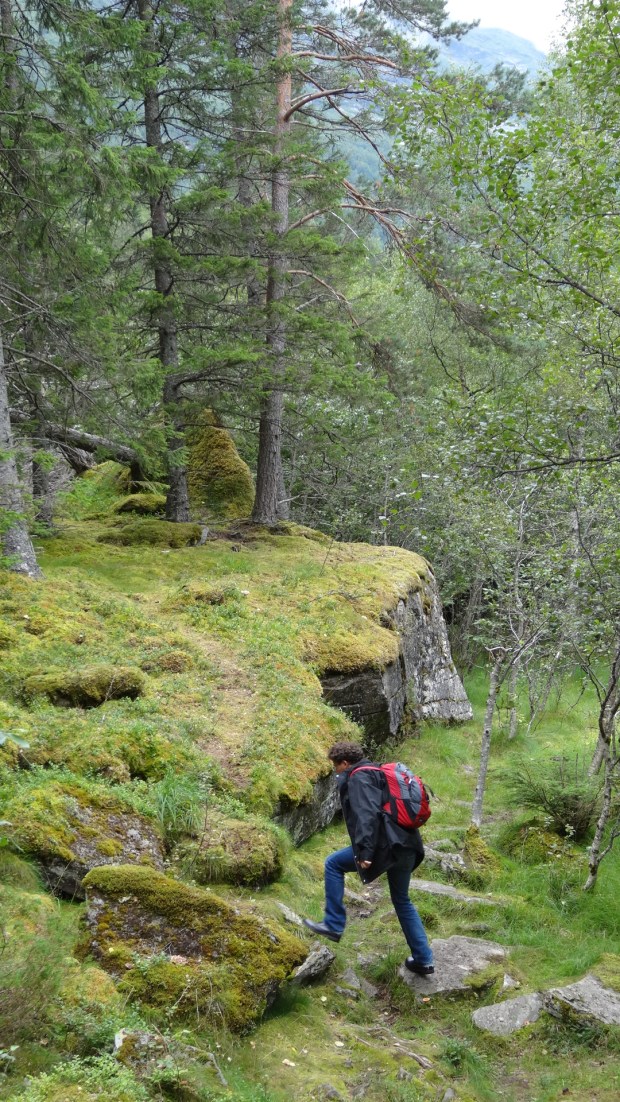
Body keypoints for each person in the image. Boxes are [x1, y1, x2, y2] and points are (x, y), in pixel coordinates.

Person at [302, 740, 434, 976]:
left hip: (386, 846)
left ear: (344, 763)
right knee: (402, 900)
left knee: (333, 864)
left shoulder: (359, 777)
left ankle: (332, 924)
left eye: (336, 767)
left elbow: (367, 814)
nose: (336, 772)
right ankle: (423, 959)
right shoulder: (378, 772)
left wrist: (365, 852)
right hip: (407, 845)